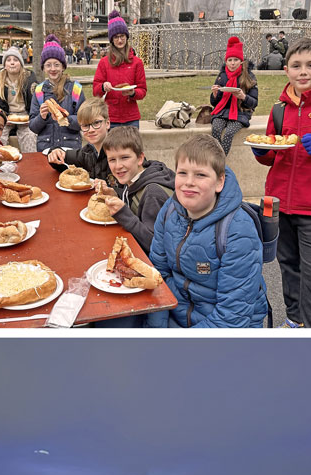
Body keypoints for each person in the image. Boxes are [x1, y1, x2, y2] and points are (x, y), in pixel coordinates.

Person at [252, 38, 311, 328]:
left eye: (310, 65)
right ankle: (294, 321)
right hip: (279, 203)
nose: (304, 72)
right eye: (297, 66)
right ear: (286, 70)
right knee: (288, 268)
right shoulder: (279, 108)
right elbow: (271, 155)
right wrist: (262, 152)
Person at [146, 135, 267, 328]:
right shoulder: (169, 211)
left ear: (220, 182)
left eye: (200, 175)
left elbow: (232, 318)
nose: (189, 182)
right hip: (175, 318)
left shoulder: (237, 231)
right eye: (182, 173)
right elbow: (157, 278)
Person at [97, 126, 175, 254]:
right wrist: (116, 193)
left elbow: (155, 246)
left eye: (124, 158)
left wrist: (124, 214)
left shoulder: (152, 193)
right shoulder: (135, 177)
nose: (118, 166)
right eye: (112, 160)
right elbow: (133, 199)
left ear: (140, 158)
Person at [29, 35, 85, 152]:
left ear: (63, 66)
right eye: (48, 65)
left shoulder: (75, 89)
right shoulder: (39, 91)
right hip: (46, 149)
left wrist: (65, 118)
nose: (52, 69)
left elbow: (83, 121)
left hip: (70, 148)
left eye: (57, 64)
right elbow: (33, 127)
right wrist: (42, 117)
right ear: (43, 68)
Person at [92, 11, 146, 128]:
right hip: (110, 117)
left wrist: (132, 93)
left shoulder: (137, 62)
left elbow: (142, 90)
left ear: (126, 37)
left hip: (131, 117)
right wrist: (103, 86)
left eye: (122, 36)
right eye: (116, 37)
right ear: (111, 40)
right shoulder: (104, 62)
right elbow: (95, 90)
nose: (120, 40)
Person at [210, 36, 258, 156]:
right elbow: (214, 103)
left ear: (241, 61)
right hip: (222, 111)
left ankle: (219, 162)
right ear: (226, 61)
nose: (232, 63)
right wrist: (215, 94)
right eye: (230, 60)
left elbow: (254, 102)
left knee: (229, 133)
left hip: (241, 113)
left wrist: (243, 97)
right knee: (215, 129)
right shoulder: (222, 75)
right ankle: (218, 160)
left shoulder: (249, 76)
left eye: (235, 60)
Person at [0, 46, 37, 153]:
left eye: (16, 60)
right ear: (5, 65)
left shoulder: (29, 79)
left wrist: (32, 117)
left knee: (30, 136)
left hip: (25, 116)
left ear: (21, 64)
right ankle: (0, 162)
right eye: (8, 60)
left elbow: (36, 102)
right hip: (5, 115)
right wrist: (0, 116)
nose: (12, 63)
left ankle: (30, 162)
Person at [48, 98, 111, 181]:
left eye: (96, 123)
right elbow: (63, 159)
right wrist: (55, 152)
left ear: (107, 123)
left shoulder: (119, 152)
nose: (91, 130)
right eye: (85, 125)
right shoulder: (87, 152)